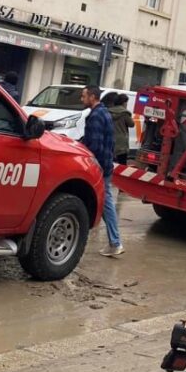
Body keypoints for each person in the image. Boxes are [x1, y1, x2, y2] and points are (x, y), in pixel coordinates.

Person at [82, 85, 122, 257]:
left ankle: (116, 242)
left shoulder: (96, 116)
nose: (81, 99)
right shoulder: (104, 112)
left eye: (83, 96)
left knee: (106, 203)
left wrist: (84, 155)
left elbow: (95, 145)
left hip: (100, 166)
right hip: (106, 164)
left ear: (92, 97)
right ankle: (114, 242)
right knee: (105, 203)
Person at [104, 92, 132, 166]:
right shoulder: (125, 113)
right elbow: (132, 124)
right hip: (121, 142)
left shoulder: (107, 112)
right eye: (126, 103)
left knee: (109, 162)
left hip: (109, 139)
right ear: (123, 103)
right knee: (122, 164)